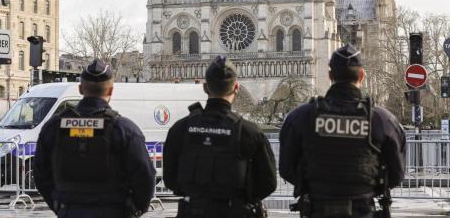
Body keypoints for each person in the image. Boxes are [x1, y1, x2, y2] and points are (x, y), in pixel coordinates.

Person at [279, 44, 406, 218]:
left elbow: (286, 168)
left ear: (330, 75)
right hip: (363, 210)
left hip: (317, 209)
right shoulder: (382, 120)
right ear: (361, 75)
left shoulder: (300, 117)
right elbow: (397, 173)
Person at [34, 59, 156, 218]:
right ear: (110, 91)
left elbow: (41, 175)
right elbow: (144, 177)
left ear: (80, 89)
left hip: (69, 211)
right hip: (114, 210)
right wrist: (134, 209)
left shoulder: (54, 127)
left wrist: (60, 206)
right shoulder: (124, 130)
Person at [163, 55, 277, 218]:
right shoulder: (249, 132)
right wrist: (243, 198)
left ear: (205, 87)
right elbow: (268, 183)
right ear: (236, 87)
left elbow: (170, 178)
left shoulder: (180, 129)